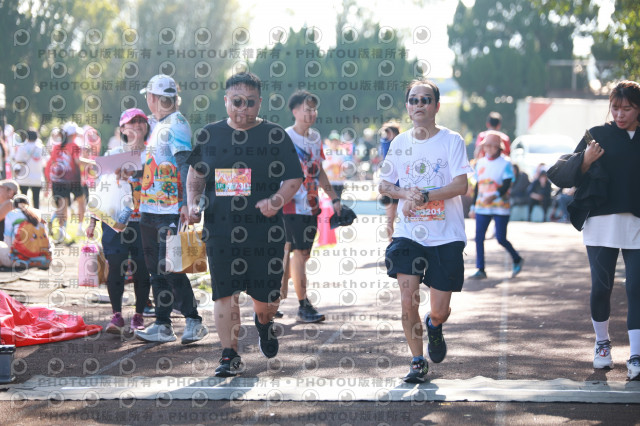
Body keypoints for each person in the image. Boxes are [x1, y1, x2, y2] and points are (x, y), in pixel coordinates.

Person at [184, 72, 303, 377]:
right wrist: (193, 203)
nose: (243, 108)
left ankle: (264, 324)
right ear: (226, 101)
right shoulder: (209, 134)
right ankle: (229, 354)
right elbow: (196, 174)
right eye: (237, 101)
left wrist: (276, 200)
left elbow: (294, 177)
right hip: (220, 230)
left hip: (266, 233)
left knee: (265, 302)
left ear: (259, 103)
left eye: (250, 102)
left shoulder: (274, 134)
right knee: (224, 293)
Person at [379, 79, 472, 383]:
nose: (419, 104)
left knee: (440, 309)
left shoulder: (452, 141)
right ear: (408, 107)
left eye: (425, 99)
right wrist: (405, 193)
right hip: (409, 234)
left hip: (446, 236)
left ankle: (435, 325)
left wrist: (424, 196)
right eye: (413, 100)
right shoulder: (399, 143)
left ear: (436, 106)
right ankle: (417, 360)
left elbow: (461, 185)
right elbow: (384, 185)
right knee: (408, 299)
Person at [564, 80, 640, 380]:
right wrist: (585, 161)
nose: (620, 114)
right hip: (600, 221)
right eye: (615, 108)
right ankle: (602, 343)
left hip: (637, 222)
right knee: (601, 286)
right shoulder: (596, 135)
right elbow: (570, 177)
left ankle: (636, 354)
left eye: (627, 108)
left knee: (636, 288)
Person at [133, 74, 209, 345]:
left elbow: (185, 164)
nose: (148, 101)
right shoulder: (159, 125)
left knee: (172, 268)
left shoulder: (176, 124)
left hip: (170, 209)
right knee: (156, 270)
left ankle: (194, 321)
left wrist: (188, 203)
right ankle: (163, 325)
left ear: (153, 98)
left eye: (148, 97)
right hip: (150, 209)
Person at [86, 109, 152, 334]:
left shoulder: (152, 154)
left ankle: (139, 315)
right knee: (115, 265)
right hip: (115, 222)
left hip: (145, 220)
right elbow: (100, 191)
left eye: (141, 121)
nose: (137, 125)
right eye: (132, 122)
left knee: (143, 268)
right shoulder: (112, 154)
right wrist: (93, 221)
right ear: (122, 128)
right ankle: (116, 315)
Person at [279, 90, 341, 323]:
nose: (312, 113)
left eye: (314, 109)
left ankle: (272, 299)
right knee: (295, 253)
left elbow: (319, 170)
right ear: (294, 111)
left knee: (301, 255)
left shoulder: (315, 138)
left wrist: (334, 198)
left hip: (311, 206)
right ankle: (303, 305)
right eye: (307, 109)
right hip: (289, 206)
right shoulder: (284, 137)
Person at [468, 131, 524, 280]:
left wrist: (494, 195)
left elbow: (507, 184)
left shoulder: (506, 163)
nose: (489, 148)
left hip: (500, 206)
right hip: (482, 206)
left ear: (499, 148)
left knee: (500, 238)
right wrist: (473, 207)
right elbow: (478, 186)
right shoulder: (480, 163)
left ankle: (517, 258)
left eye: (493, 146)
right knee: (479, 237)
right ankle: (480, 268)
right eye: (487, 145)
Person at [44, 122, 84, 243]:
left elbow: (50, 164)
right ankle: (80, 228)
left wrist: (48, 183)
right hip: (73, 179)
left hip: (58, 180)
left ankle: (60, 232)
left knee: (62, 207)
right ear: (73, 134)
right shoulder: (74, 145)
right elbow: (77, 162)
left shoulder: (56, 147)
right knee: (81, 202)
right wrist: (90, 163)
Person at [1, 194, 51, 269]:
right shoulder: (40, 213)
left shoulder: (11, 214)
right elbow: (48, 240)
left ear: (14, 206)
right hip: (44, 259)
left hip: (18, 260)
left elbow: (8, 241)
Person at [378, 121, 401, 241]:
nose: (387, 136)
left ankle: (395, 240)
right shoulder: (386, 144)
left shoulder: (401, 143)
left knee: (400, 218)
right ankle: (390, 241)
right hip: (390, 186)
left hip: (401, 186)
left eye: (389, 133)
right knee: (390, 218)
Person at [14, 130, 44, 209]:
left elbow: (17, 160)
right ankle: (36, 215)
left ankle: (24, 213)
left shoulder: (23, 147)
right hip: (37, 177)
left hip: (24, 176)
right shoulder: (41, 147)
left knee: (23, 199)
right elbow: (45, 162)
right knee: (36, 199)